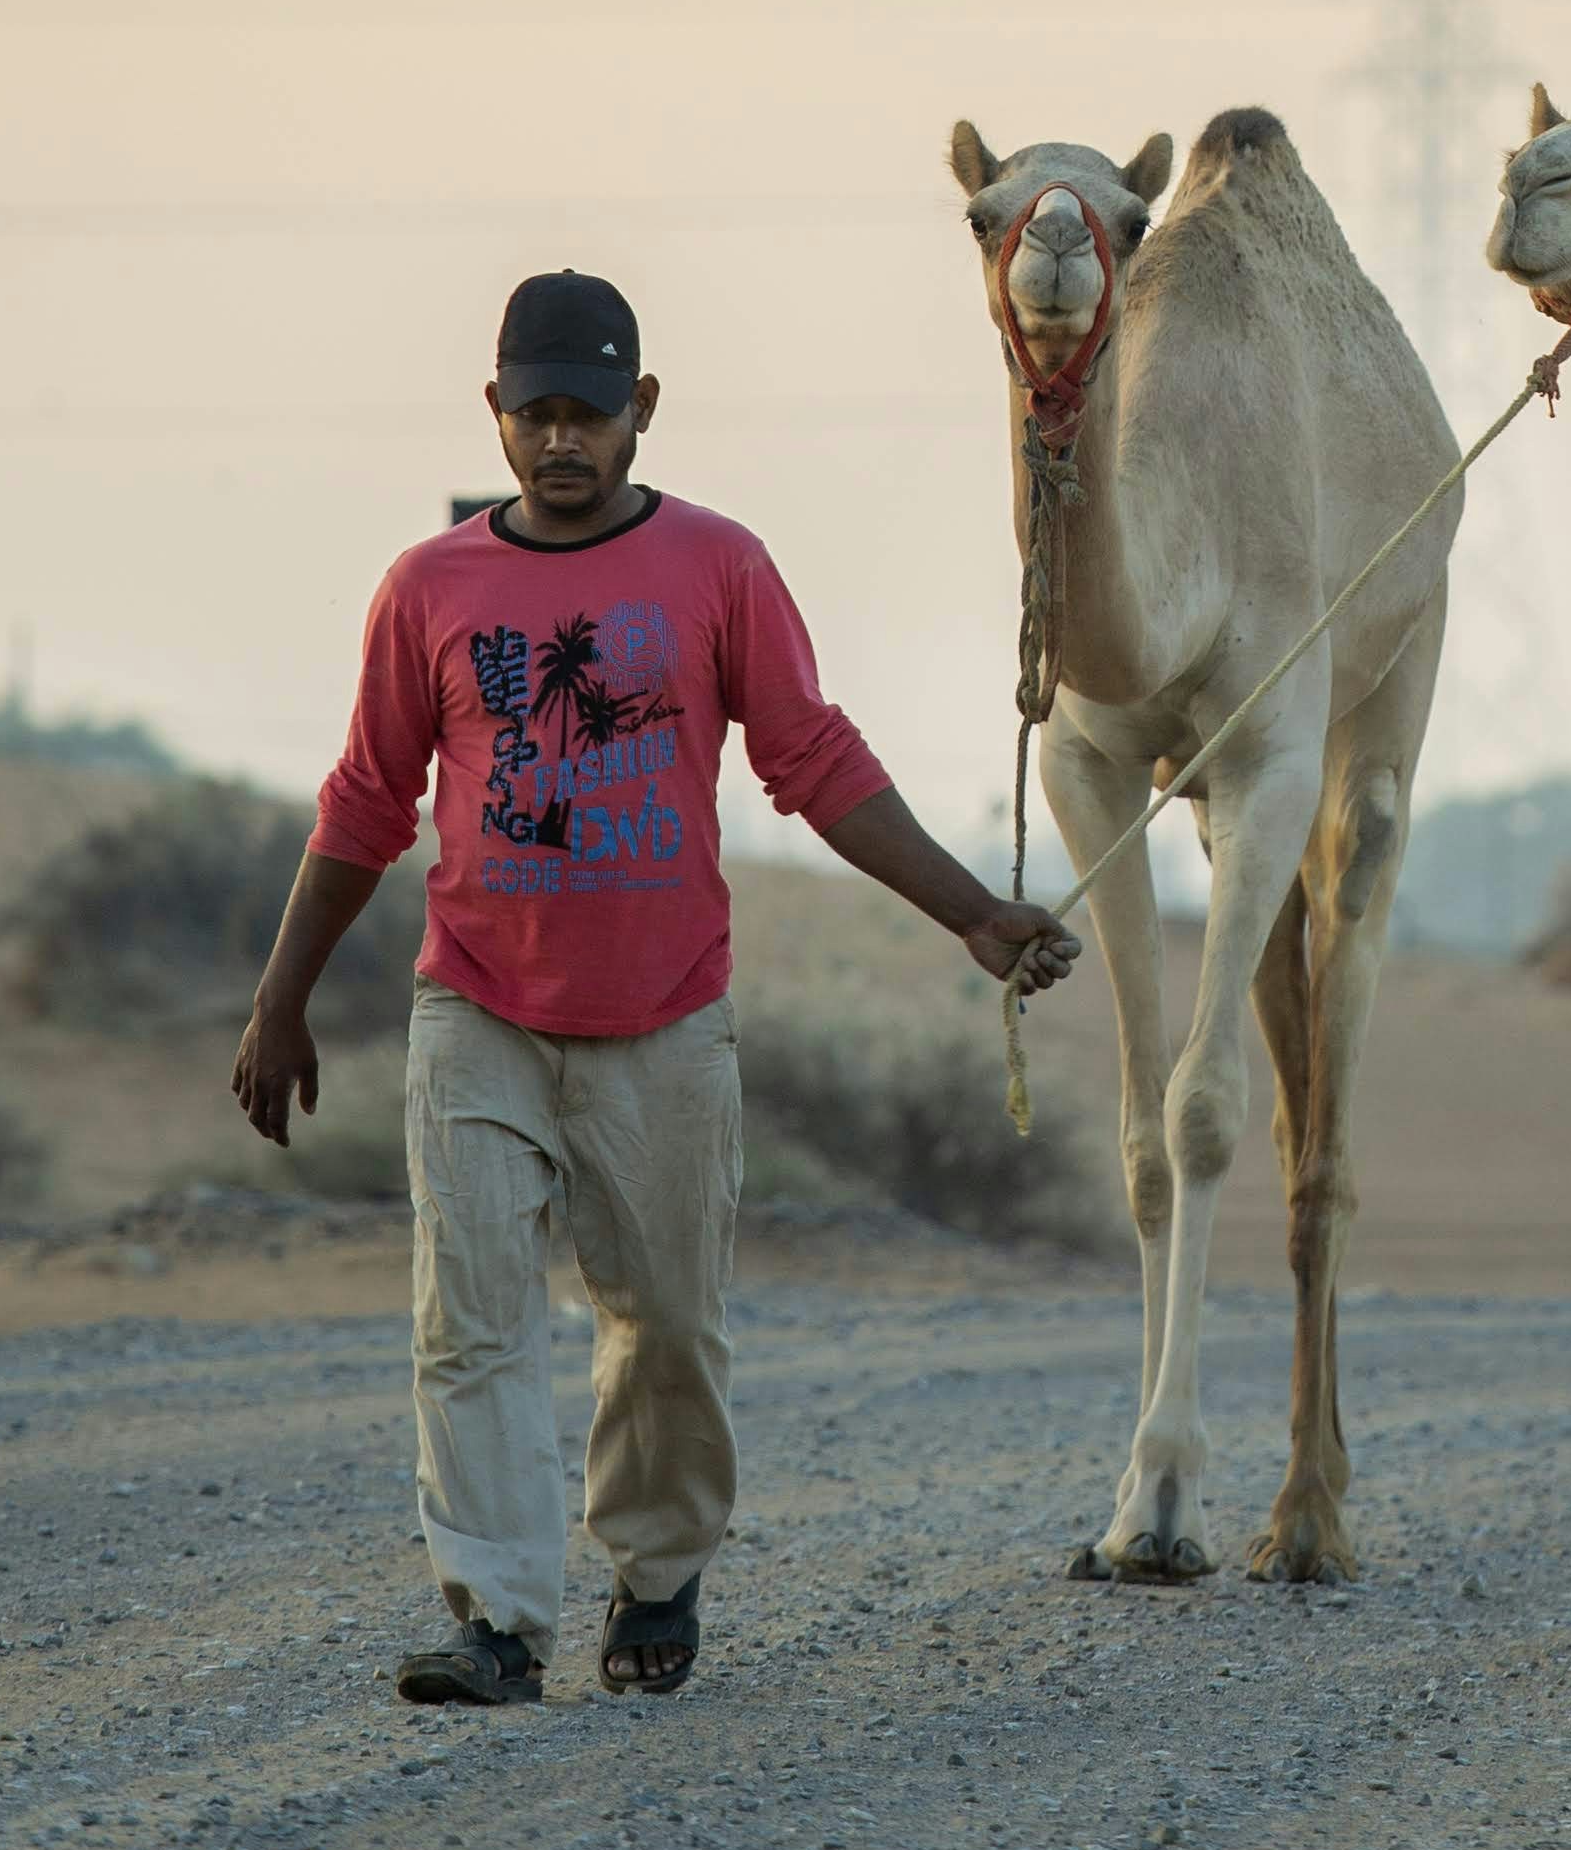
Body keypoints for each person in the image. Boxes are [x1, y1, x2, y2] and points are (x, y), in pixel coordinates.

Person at [232, 270, 1075, 1707]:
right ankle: (497, 1617)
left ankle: (657, 1572)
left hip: (668, 1014)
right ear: (495, 414)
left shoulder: (718, 567)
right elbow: (368, 799)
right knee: (471, 1317)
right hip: (477, 1006)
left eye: (592, 415)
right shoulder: (430, 588)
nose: (563, 442)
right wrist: (279, 1000)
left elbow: (812, 762)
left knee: (667, 1321)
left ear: (644, 413)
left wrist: (974, 918)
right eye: (537, 415)